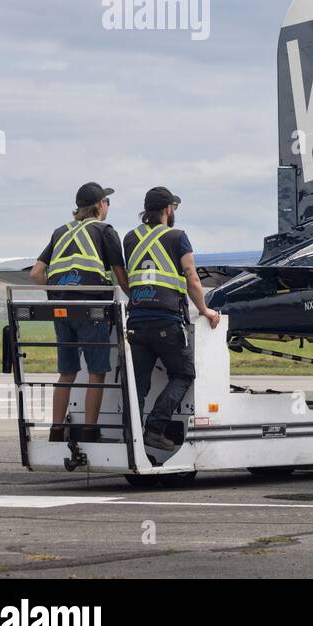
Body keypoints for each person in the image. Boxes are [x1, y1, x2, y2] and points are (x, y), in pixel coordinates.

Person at [29, 182, 131, 442]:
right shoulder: (105, 231)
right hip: (90, 310)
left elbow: (36, 273)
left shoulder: (60, 232)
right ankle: (89, 430)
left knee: (67, 372)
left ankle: (56, 429)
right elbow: (121, 277)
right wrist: (137, 301)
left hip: (61, 310)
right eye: (107, 202)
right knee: (97, 372)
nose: (107, 206)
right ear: (99, 205)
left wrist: (55, 296)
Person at [122, 186, 220, 451]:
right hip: (165, 320)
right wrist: (205, 310)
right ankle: (155, 428)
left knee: (139, 383)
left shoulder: (130, 238)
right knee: (183, 373)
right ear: (167, 209)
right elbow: (191, 276)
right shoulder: (178, 237)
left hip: (136, 319)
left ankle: (129, 434)